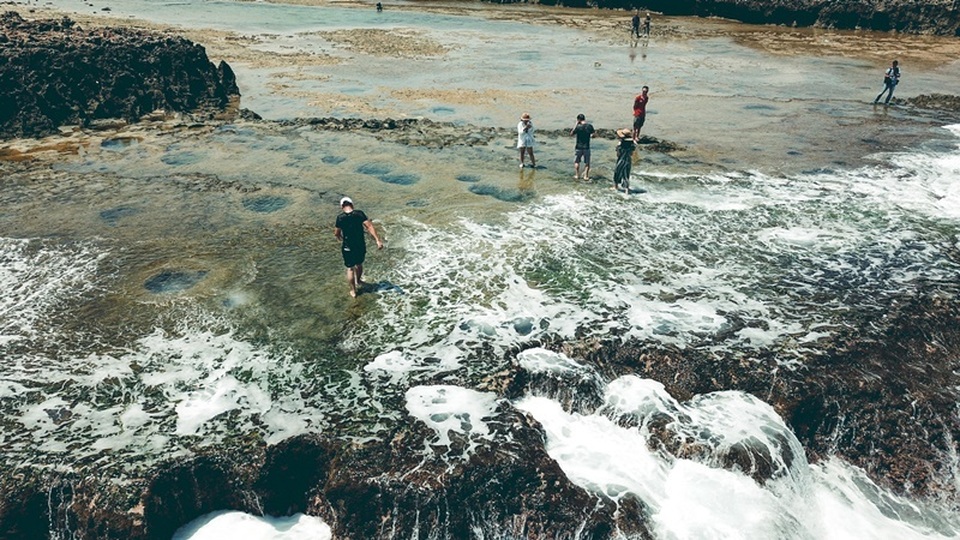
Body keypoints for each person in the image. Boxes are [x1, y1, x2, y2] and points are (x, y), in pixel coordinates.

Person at [334, 197, 384, 298]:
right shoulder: (359, 214)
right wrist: (377, 240)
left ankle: (353, 291)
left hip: (348, 246)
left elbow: (336, 233)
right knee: (359, 264)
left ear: (341, 207)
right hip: (360, 245)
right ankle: (359, 280)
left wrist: (340, 238)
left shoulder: (340, 218)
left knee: (350, 268)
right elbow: (369, 226)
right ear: (352, 205)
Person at [570, 113, 595, 180]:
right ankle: (586, 176)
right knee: (587, 162)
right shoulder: (589, 126)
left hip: (578, 147)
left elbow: (571, 134)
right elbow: (593, 135)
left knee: (577, 161)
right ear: (584, 119)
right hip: (586, 147)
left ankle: (577, 175)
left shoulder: (578, 127)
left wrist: (576, 124)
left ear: (578, 120)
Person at [614, 128, 636, 193]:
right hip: (628, 160)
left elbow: (618, 154)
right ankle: (627, 189)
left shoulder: (620, 143)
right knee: (626, 174)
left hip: (621, 159)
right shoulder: (632, 144)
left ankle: (616, 187)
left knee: (617, 172)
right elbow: (631, 153)